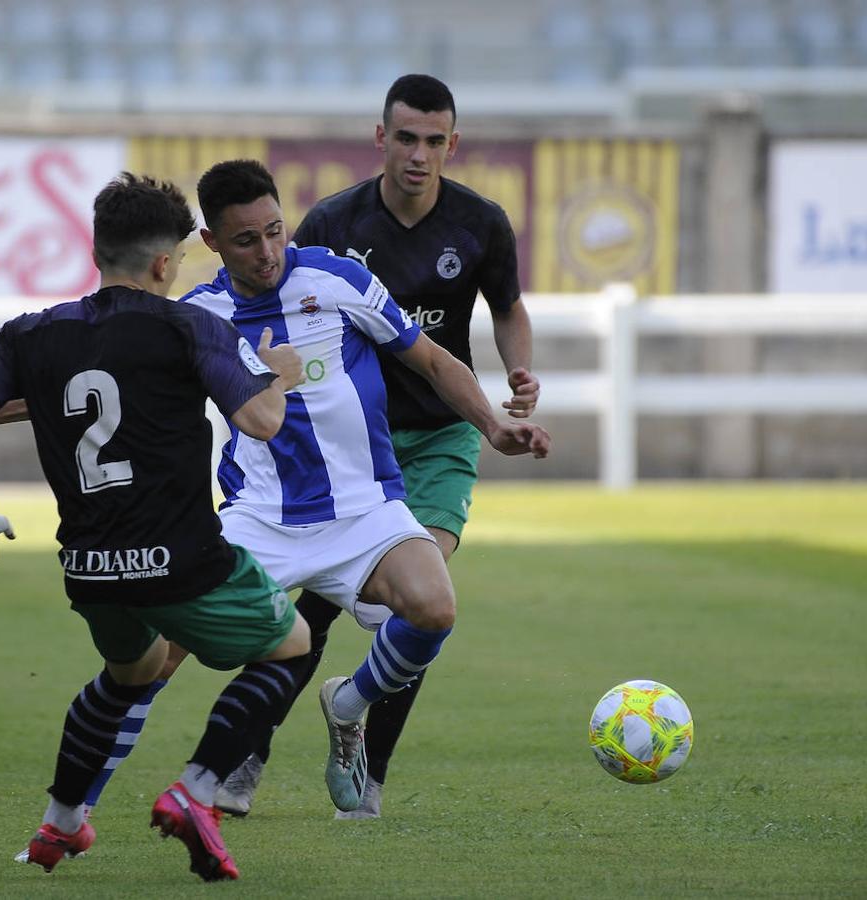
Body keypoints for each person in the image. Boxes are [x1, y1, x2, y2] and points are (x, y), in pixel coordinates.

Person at [75, 158, 550, 817]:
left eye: (276, 230)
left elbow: (434, 359)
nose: (269, 252)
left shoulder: (338, 277)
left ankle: (349, 702)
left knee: (435, 607)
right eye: (246, 239)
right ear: (210, 243)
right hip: (257, 519)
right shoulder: (196, 316)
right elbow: (111, 390)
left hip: (363, 510)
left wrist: (493, 426)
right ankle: (72, 815)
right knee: (152, 662)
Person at [0, 172, 313, 882]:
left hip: (91, 570)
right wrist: (277, 374)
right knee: (292, 645)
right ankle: (197, 792)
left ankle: (61, 824)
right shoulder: (191, 326)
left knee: (130, 671)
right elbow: (259, 421)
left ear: (98, 249)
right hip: (183, 562)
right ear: (167, 263)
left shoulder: (34, 334)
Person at [217, 73, 542, 820]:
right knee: (311, 611)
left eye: (434, 141)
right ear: (381, 139)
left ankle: (365, 765)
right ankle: (245, 756)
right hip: (346, 447)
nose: (419, 154)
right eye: (406, 138)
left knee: (421, 601)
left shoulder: (481, 224)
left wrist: (519, 373)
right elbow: (281, 318)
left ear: (452, 145)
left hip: (438, 438)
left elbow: (509, 308)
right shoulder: (332, 224)